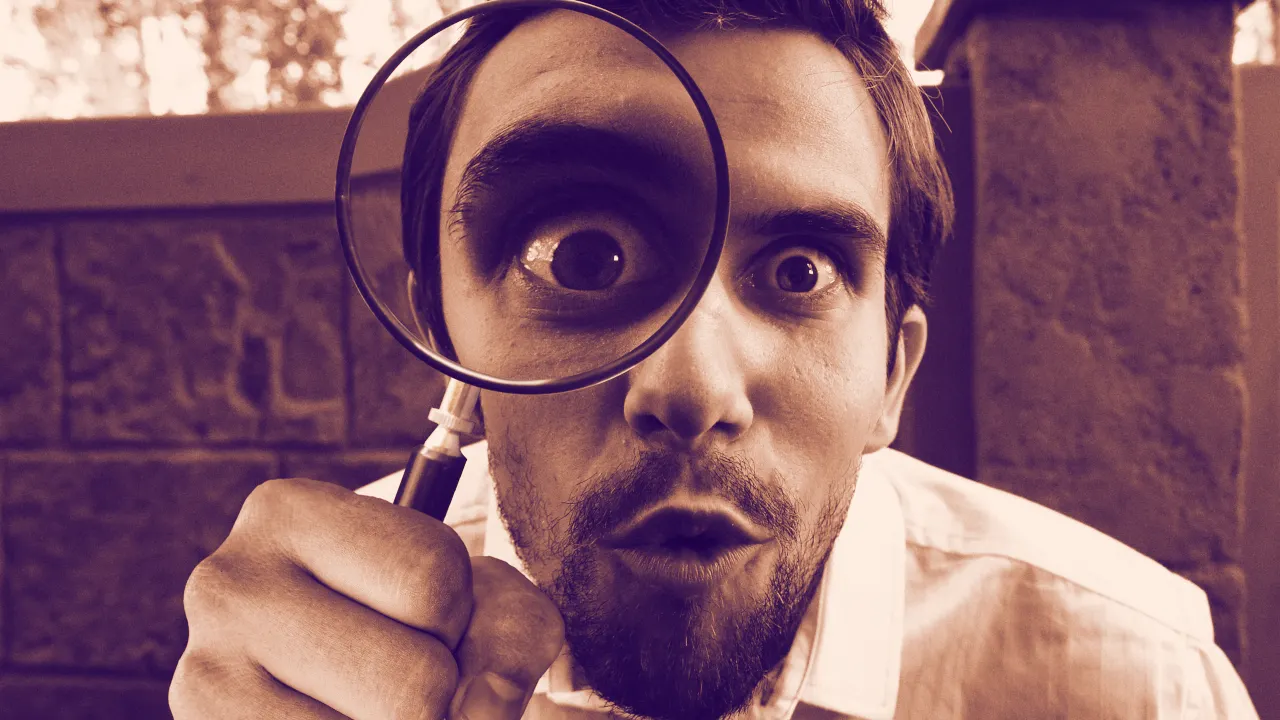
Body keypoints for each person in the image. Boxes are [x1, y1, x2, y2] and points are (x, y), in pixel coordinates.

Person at [170, 1, 1261, 718]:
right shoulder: (317, 661)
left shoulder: (1134, 681)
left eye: (798, 271)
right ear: (446, 341)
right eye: (583, 256)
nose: (691, 387)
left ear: (890, 376)